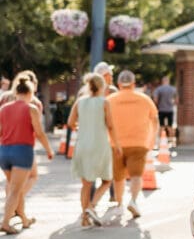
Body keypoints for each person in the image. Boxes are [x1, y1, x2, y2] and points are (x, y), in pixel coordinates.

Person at [0, 76, 54, 234]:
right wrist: (49, 150)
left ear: (16, 92)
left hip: (4, 151)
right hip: (22, 151)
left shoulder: (3, 109)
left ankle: (24, 219)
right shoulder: (31, 109)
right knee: (16, 190)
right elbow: (39, 132)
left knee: (15, 188)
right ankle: (5, 223)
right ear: (30, 93)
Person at [68, 73, 120, 227]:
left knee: (86, 184)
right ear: (102, 86)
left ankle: (85, 218)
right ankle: (91, 206)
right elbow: (110, 126)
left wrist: (83, 129)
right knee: (106, 179)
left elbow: (71, 123)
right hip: (100, 145)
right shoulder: (104, 102)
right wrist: (117, 145)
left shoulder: (79, 102)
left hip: (82, 145)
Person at [107, 69, 158, 218]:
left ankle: (119, 204)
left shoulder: (111, 99)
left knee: (118, 177)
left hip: (115, 143)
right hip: (139, 142)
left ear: (118, 83)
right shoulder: (145, 99)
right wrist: (151, 140)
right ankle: (133, 200)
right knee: (136, 175)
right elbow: (154, 120)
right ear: (134, 83)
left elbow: (105, 122)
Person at [152, 75, 177, 145]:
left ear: (162, 81)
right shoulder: (173, 89)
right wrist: (172, 104)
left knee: (161, 126)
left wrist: (156, 106)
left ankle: (160, 142)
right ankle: (172, 142)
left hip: (161, 109)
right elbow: (176, 99)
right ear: (168, 81)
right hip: (170, 109)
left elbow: (155, 99)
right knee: (170, 126)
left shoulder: (159, 89)